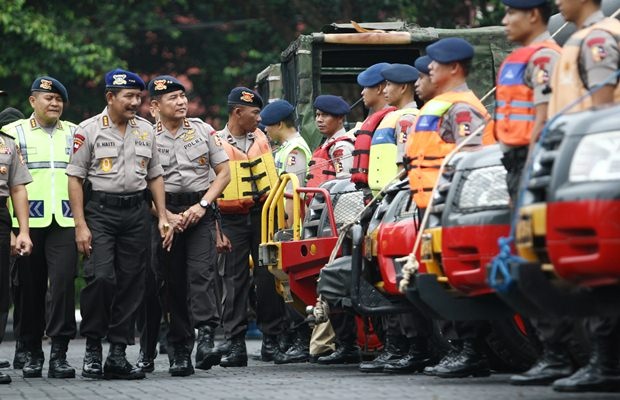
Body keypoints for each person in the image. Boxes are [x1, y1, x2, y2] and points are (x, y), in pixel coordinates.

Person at [66, 68, 173, 380]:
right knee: (101, 279)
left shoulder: (146, 130)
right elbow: (75, 178)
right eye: (128, 96)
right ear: (110, 97)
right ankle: (93, 348)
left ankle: (117, 353)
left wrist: (163, 216)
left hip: (136, 214)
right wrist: (80, 225)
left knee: (131, 283)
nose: (135, 102)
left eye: (138, 97)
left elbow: (155, 175)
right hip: (100, 212)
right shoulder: (88, 130)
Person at [404, 37, 496, 379]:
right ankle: (457, 348)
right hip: (430, 204)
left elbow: (472, 160)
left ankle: (471, 351)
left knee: (455, 280)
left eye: (436, 64)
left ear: (454, 68)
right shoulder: (440, 104)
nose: (429, 69)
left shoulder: (461, 108)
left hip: (451, 207)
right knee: (438, 281)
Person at [494, 0, 575, 387]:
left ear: (533, 15)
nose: (505, 20)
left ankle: (558, 353)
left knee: (536, 260)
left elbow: (544, 119)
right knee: (527, 261)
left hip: (532, 162)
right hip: (516, 164)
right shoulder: (522, 57)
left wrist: (529, 175)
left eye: (511, 12)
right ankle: (551, 352)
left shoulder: (544, 57)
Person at [547, 0, 620, 392]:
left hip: (596, 166)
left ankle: (606, 362)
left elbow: (602, 110)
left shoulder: (598, 39)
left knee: (601, 266)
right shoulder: (586, 39)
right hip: (584, 163)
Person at [149, 75, 230, 376]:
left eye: (183, 96)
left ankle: (206, 339)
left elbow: (223, 173)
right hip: (163, 216)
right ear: (155, 106)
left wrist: (202, 205)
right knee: (171, 283)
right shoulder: (146, 137)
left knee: (202, 273)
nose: (181, 102)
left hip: (200, 211)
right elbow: (138, 183)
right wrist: (164, 215)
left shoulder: (203, 130)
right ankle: (180, 349)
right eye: (173, 98)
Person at [1, 77, 78, 379]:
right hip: (26, 224)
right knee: (29, 289)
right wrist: (12, 228)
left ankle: (59, 353)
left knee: (62, 286)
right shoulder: (11, 132)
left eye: (59, 99)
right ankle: (32, 351)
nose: (55, 103)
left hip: (66, 221)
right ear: (33, 101)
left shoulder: (75, 132)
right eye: (48, 98)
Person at [216, 87, 286, 367]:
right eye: (255, 113)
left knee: (269, 276)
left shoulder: (264, 138)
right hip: (230, 218)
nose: (260, 118)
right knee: (233, 281)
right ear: (237, 112)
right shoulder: (215, 142)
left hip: (263, 214)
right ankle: (235, 345)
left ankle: (273, 341)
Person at [0, 105, 33, 384]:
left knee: (1, 291)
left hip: (0, 215)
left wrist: (21, 230)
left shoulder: (7, 144)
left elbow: (18, 188)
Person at [305, 95, 355, 189]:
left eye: (325, 115)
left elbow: (345, 186)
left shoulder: (341, 147)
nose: (319, 120)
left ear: (340, 118)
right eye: (318, 115)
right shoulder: (327, 144)